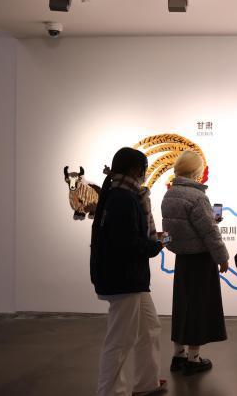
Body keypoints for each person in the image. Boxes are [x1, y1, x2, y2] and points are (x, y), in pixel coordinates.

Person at [90, 147, 168, 396]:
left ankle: (147, 383)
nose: (145, 174)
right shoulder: (123, 199)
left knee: (150, 327)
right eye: (144, 169)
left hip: (130, 278)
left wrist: (153, 241)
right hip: (124, 278)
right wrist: (156, 245)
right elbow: (127, 244)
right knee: (120, 341)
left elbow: (125, 237)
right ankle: (111, 392)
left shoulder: (120, 194)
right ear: (135, 169)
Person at [161, 150, 229, 376]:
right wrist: (222, 257)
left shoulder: (169, 194)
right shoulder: (198, 197)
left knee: (182, 307)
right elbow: (210, 232)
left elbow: (170, 230)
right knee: (199, 308)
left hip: (183, 260)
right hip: (201, 261)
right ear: (196, 171)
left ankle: (178, 356)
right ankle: (194, 359)